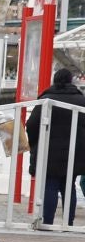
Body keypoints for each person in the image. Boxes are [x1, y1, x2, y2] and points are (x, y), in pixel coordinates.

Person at [25, 67, 85, 228]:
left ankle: (48, 222)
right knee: (69, 187)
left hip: (48, 151)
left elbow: (31, 125)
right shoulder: (81, 101)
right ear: (71, 81)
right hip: (74, 153)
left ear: (55, 80)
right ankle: (68, 223)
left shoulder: (47, 99)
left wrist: (35, 143)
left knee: (50, 185)